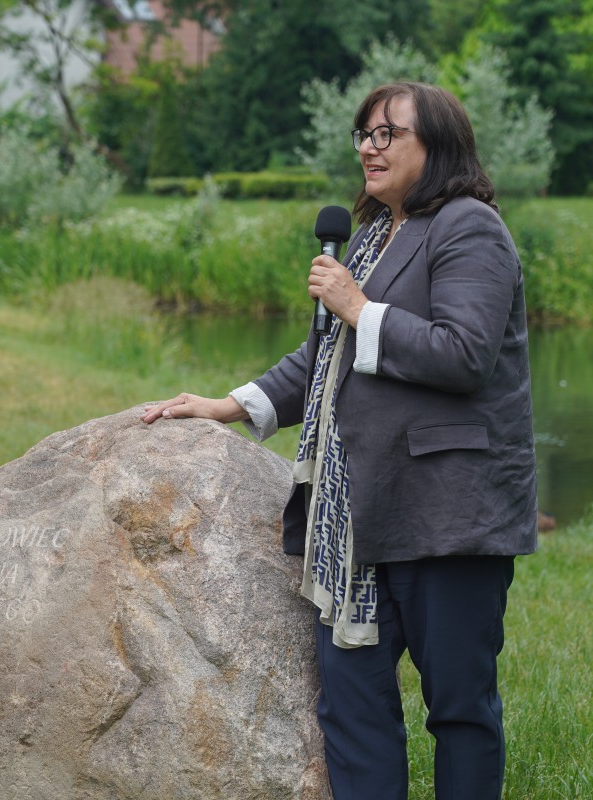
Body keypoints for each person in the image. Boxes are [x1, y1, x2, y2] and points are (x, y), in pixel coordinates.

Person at [141, 82, 537, 800]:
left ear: (437, 146)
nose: (367, 146)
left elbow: (463, 353)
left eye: (388, 134)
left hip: (446, 514)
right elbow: (322, 358)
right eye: (363, 133)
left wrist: (357, 304)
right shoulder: (371, 234)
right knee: (352, 708)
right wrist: (229, 405)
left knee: (458, 710)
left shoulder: (468, 227)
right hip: (351, 517)